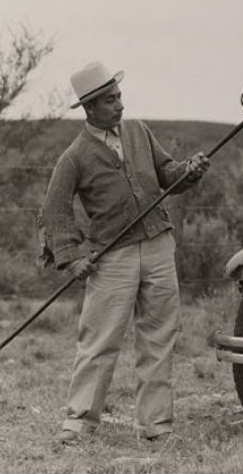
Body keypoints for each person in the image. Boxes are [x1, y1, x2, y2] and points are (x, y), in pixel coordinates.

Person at [37, 61, 210, 445]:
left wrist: (190, 170)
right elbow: (54, 209)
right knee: (99, 340)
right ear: (90, 108)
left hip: (160, 247)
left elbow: (168, 174)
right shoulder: (74, 156)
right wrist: (71, 256)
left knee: (159, 338)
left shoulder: (138, 131)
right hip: (112, 258)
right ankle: (79, 422)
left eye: (119, 97)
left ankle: (156, 427)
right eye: (111, 100)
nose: (120, 105)